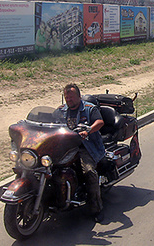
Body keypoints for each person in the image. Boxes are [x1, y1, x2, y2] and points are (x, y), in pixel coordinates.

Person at [60, 83, 105, 222]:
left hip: (85, 146)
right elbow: (51, 122)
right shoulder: (61, 110)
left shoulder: (89, 109)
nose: (69, 100)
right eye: (66, 97)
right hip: (66, 147)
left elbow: (100, 122)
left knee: (89, 172)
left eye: (71, 97)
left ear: (79, 96)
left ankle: (96, 209)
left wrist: (88, 130)